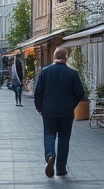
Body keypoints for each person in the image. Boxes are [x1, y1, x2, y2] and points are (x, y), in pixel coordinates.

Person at [33, 46, 86, 178]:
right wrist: (72, 105)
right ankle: (61, 168)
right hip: (66, 112)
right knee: (64, 138)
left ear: (54, 57)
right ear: (66, 58)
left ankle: (50, 155)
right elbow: (80, 93)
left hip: (49, 110)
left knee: (49, 133)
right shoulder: (72, 73)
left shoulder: (45, 72)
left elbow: (37, 92)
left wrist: (40, 108)